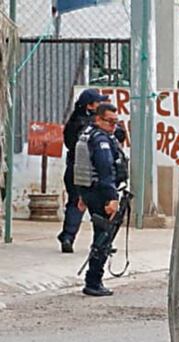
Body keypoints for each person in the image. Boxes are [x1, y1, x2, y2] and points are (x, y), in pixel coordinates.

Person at [73, 103, 128, 296]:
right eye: (110, 121)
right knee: (103, 238)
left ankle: (94, 279)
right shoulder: (100, 140)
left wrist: (82, 194)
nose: (114, 126)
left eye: (116, 122)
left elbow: (83, 167)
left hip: (89, 191)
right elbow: (105, 170)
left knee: (102, 235)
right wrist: (112, 199)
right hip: (100, 193)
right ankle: (93, 281)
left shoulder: (86, 134)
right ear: (98, 119)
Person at [57, 88, 109, 253]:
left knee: (75, 202)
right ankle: (101, 243)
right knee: (97, 205)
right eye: (99, 102)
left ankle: (68, 236)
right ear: (91, 105)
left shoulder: (74, 122)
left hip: (73, 168)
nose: (102, 104)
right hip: (89, 170)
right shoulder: (89, 125)